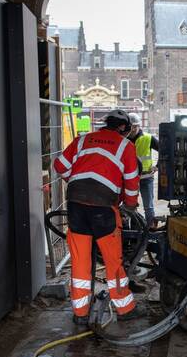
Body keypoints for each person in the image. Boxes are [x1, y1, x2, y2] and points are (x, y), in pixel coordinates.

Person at [53, 109, 146, 325]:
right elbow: (132, 181)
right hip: (104, 208)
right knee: (113, 260)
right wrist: (130, 205)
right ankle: (125, 309)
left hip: (76, 204)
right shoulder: (125, 146)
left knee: (80, 261)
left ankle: (80, 314)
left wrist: (78, 183)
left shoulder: (83, 140)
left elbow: (59, 166)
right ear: (123, 127)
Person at [127, 113, 160, 229]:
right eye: (130, 126)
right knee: (129, 206)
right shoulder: (122, 139)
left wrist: (158, 166)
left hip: (146, 178)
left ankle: (150, 229)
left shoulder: (148, 138)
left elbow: (164, 149)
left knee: (148, 206)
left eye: (135, 126)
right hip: (129, 179)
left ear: (139, 126)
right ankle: (132, 230)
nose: (133, 129)